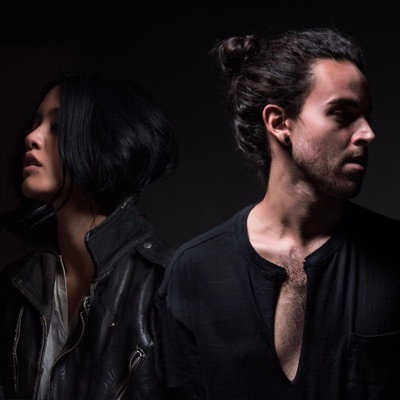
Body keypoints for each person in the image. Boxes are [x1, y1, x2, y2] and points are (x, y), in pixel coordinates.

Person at [156, 26, 400, 399]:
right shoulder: (195, 271)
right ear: (279, 122)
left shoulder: (393, 256)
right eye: (342, 114)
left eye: (366, 115)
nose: (367, 133)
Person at [0, 70, 179, 399]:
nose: (32, 137)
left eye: (57, 127)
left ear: (104, 143)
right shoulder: (14, 289)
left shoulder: (169, 286)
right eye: (35, 123)